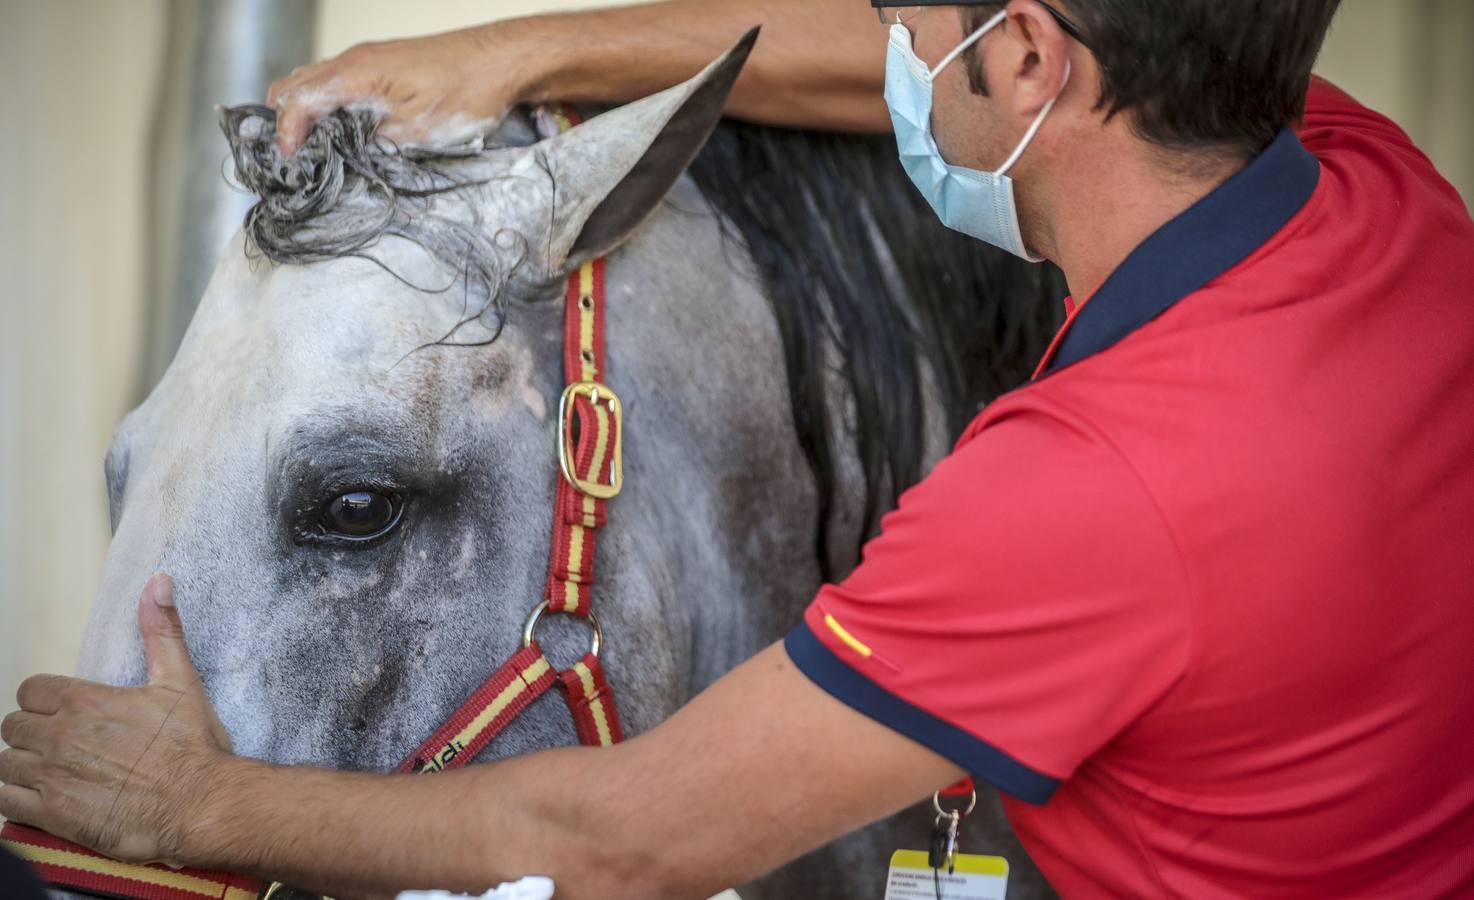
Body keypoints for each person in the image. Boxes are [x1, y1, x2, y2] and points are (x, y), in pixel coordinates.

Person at [3, 1, 1473, 897]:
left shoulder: (1087, 491)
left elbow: (634, 847)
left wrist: (194, 804)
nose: (888, 49)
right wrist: (519, 51)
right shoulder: (1357, 187)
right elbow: (871, 64)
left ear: (1025, 55)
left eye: (916, 16)